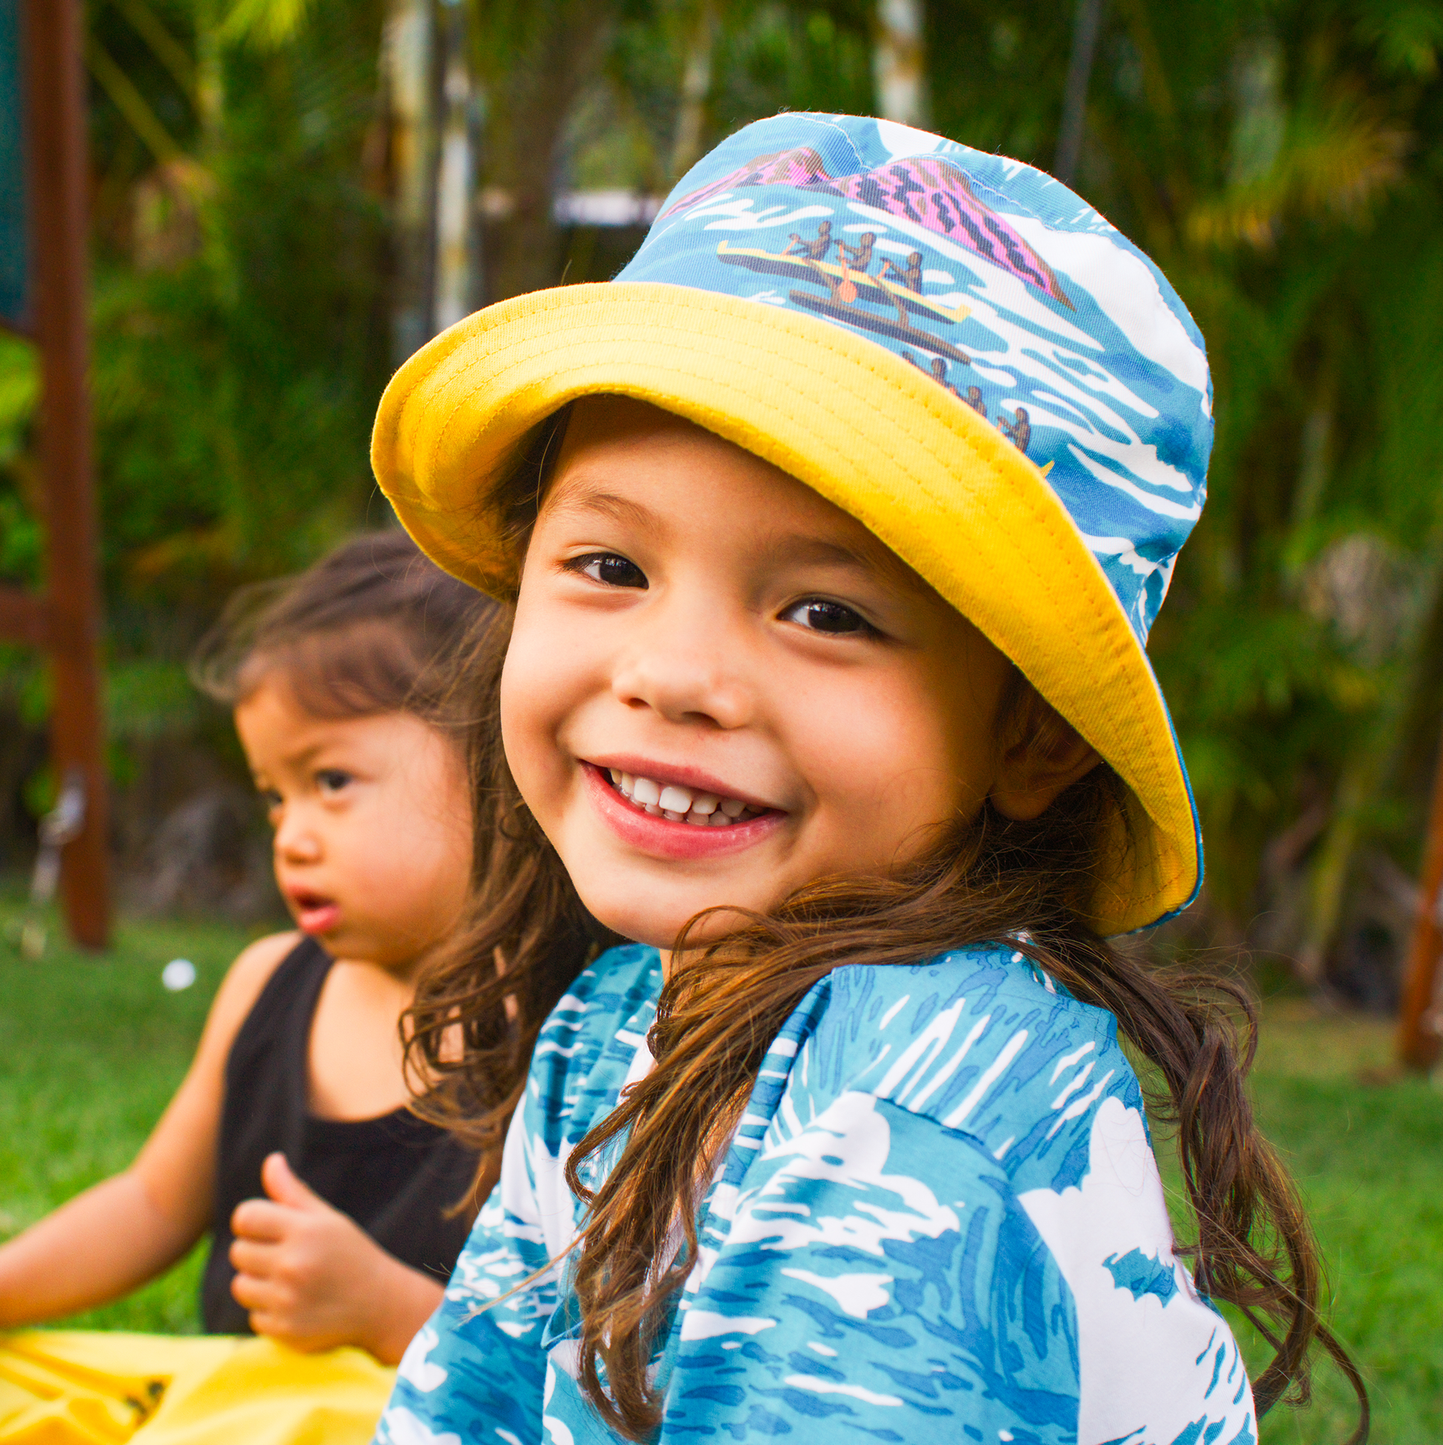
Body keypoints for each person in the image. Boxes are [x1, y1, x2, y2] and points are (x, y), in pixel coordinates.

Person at [369, 116, 1366, 1444]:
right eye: (611, 567)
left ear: (1032, 734)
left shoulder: (922, 1096)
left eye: (827, 614)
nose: (674, 676)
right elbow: (464, 1409)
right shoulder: (616, 1018)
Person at [0, 532, 489, 1367]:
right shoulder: (267, 980)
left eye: (330, 781)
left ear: (497, 761)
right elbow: (154, 1204)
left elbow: (567, 1367)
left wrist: (383, 1308)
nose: (290, 836)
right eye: (273, 795)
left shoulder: (562, 1028)